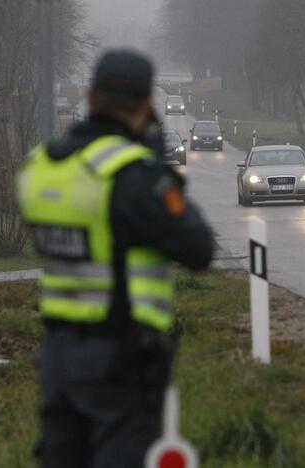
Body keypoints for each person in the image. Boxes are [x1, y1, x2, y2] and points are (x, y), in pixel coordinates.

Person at [16, 49, 214, 468]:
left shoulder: (42, 166)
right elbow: (198, 248)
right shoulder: (132, 175)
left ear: (90, 98)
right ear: (146, 105)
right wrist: (157, 166)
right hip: (119, 356)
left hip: (56, 357)